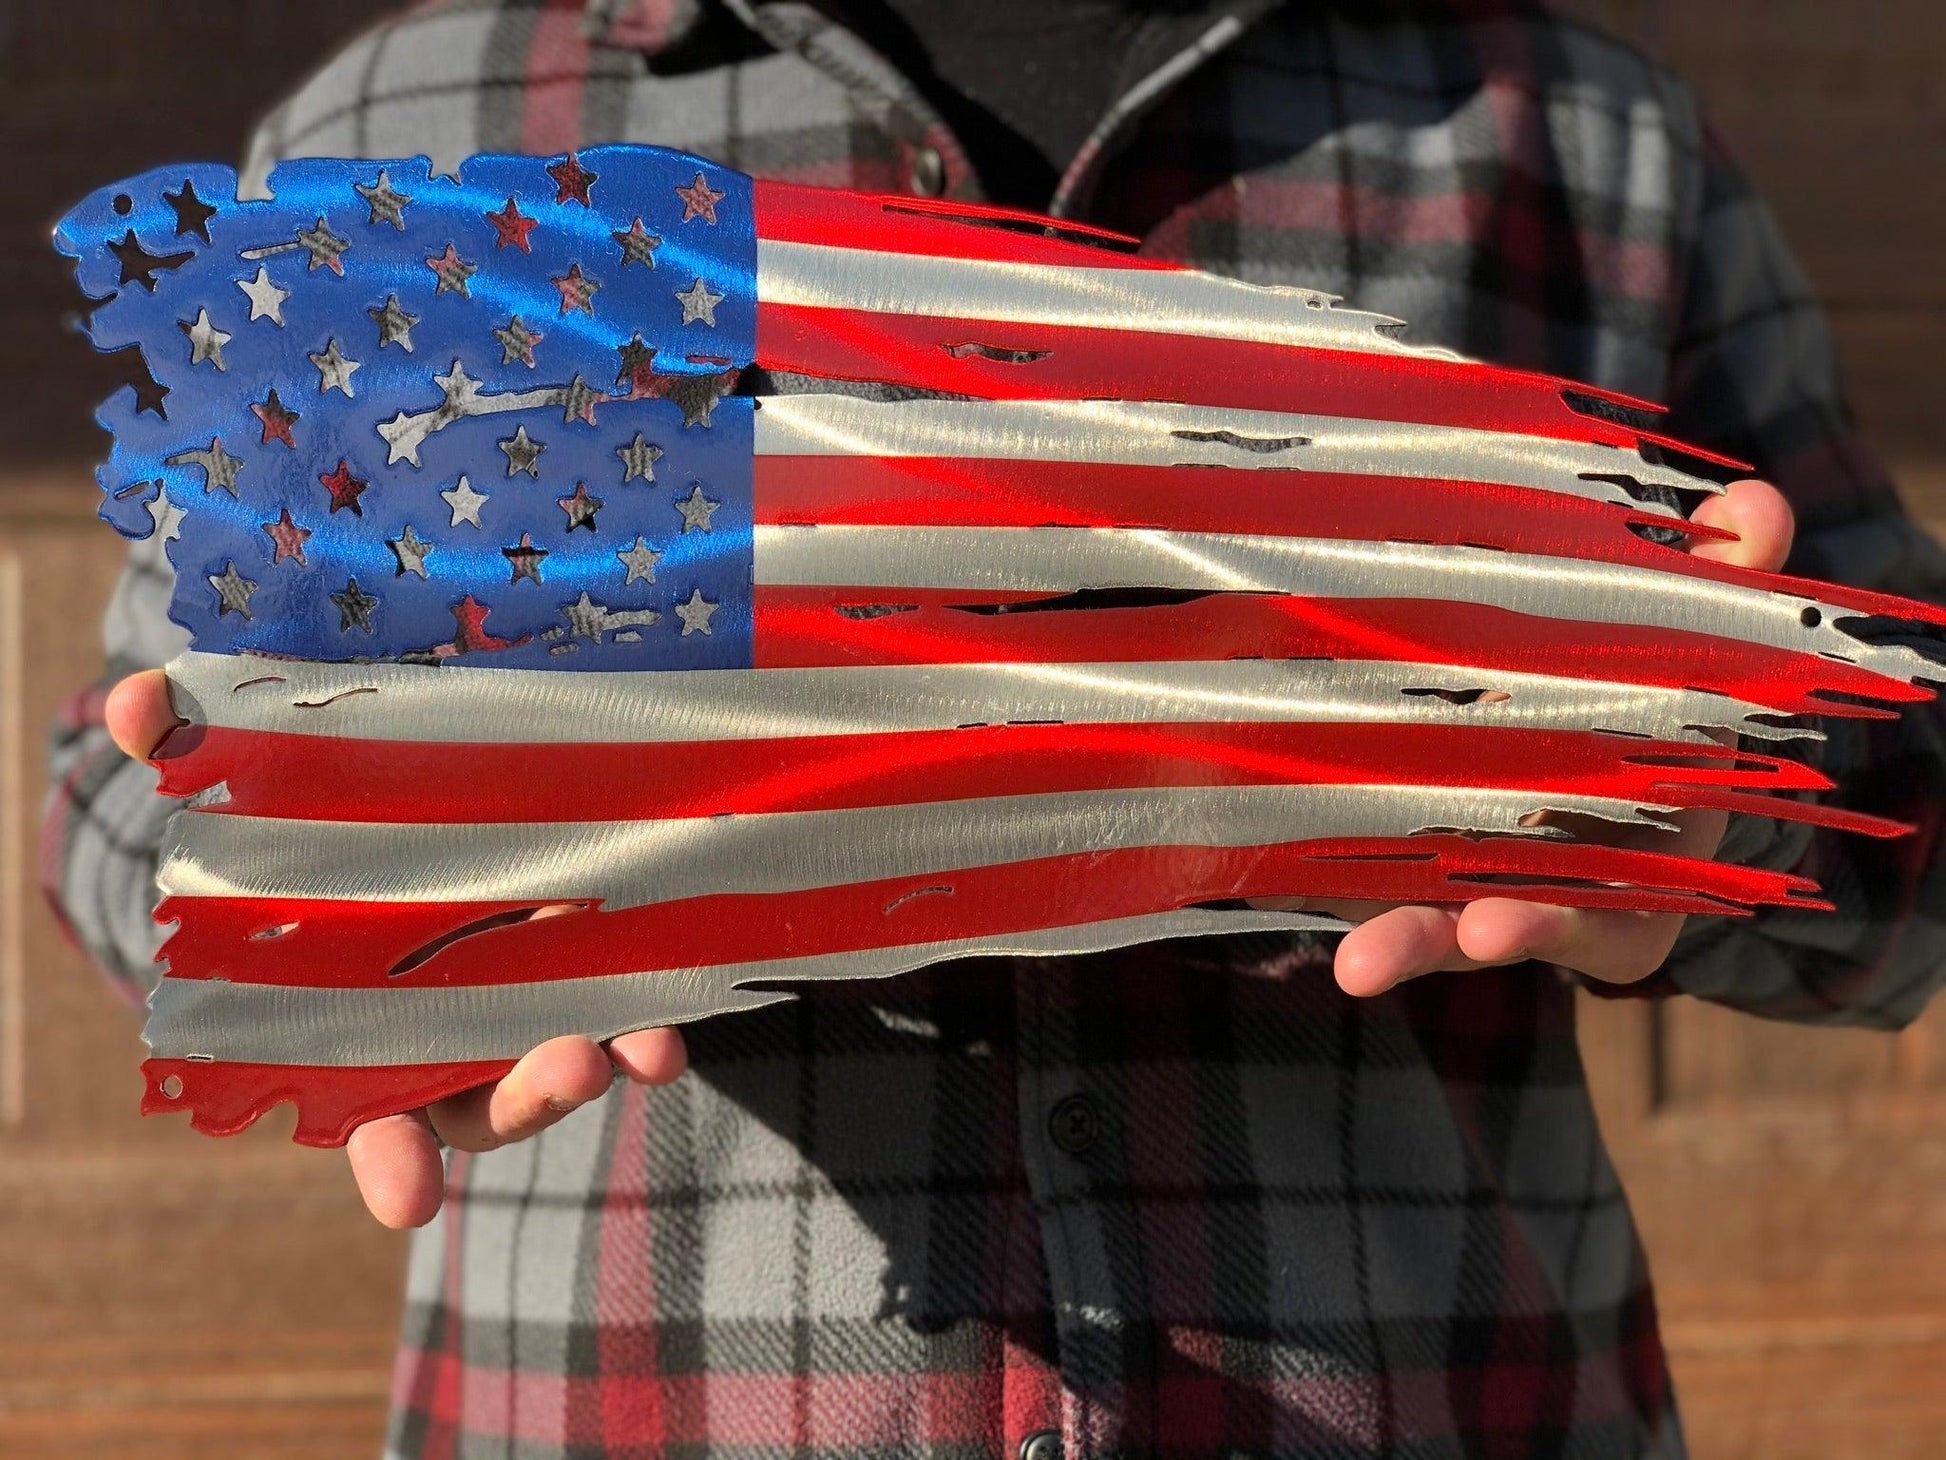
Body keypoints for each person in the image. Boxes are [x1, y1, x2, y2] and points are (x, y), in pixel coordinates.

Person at [44, 1, 1946, 1455]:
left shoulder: (1565, 129)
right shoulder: (409, 140)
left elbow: (1909, 809)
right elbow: (129, 780)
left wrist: (1729, 796)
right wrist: (303, 931)